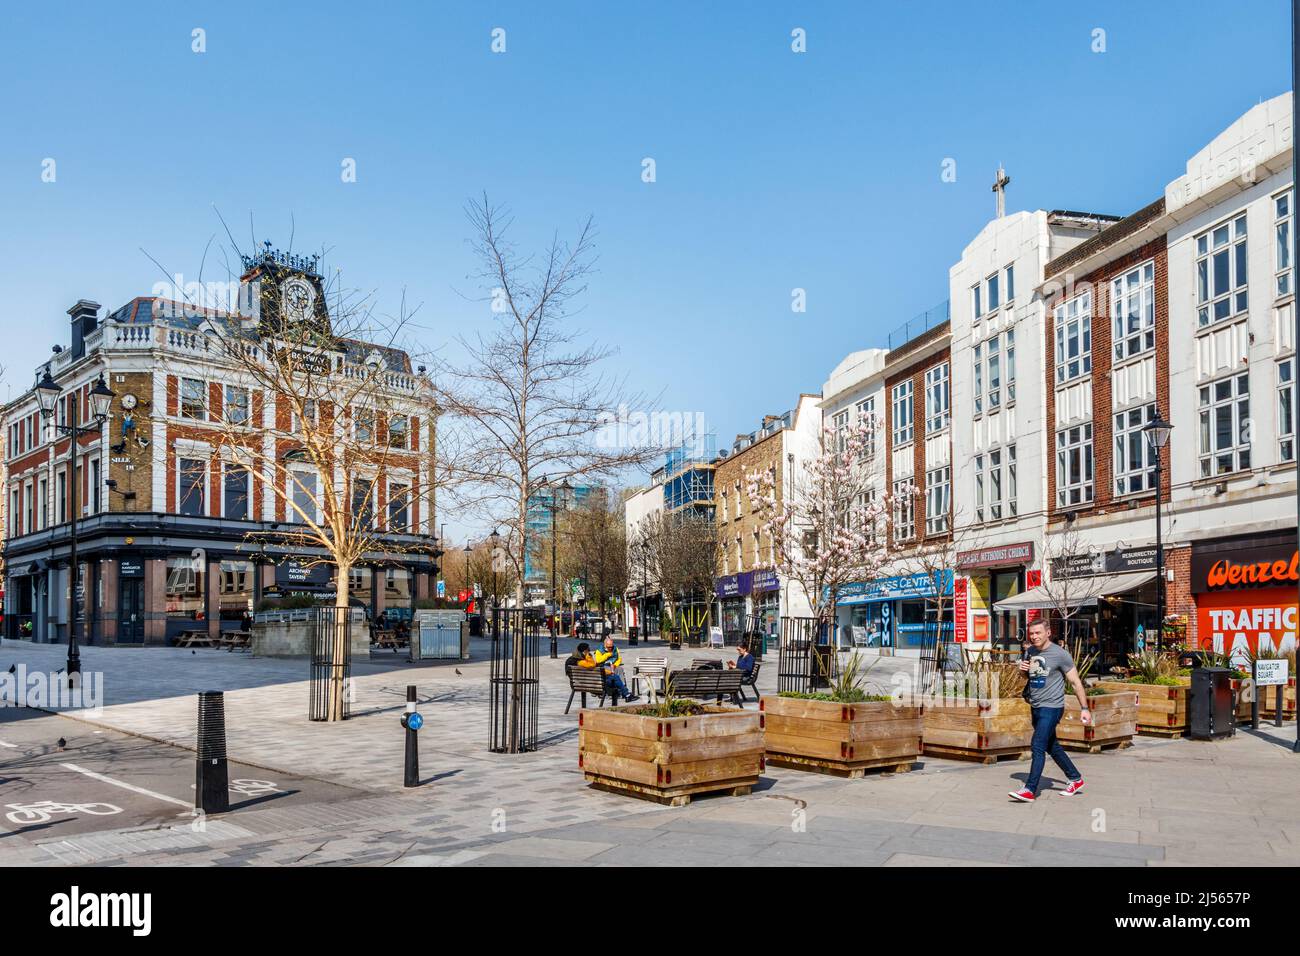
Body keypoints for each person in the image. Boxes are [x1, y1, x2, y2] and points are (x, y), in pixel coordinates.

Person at [1008, 618, 1091, 802]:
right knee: (1051, 746)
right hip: (1036, 705)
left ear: (1048, 633)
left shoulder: (1060, 654)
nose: (1034, 636)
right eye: (1031, 633)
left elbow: (1076, 682)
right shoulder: (1029, 651)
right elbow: (1027, 677)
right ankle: (1075, 778)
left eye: (1038, 633)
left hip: (1052, 707)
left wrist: (1084, 708)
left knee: (1038, 745)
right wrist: (1022, 670)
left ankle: (1030, 789)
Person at [593, 635, 637, 702]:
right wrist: (608, 654)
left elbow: (619, 659)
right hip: (603, 666)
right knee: (613, 674)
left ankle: (622, 689)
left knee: (620, 669)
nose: (611, 648)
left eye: (611, 646)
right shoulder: (599, 650)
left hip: (613, 665)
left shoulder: (615, 649)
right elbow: (598, 660)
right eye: (609, 647)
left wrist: (615, 665)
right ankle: (623, 691)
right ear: (605, 645)